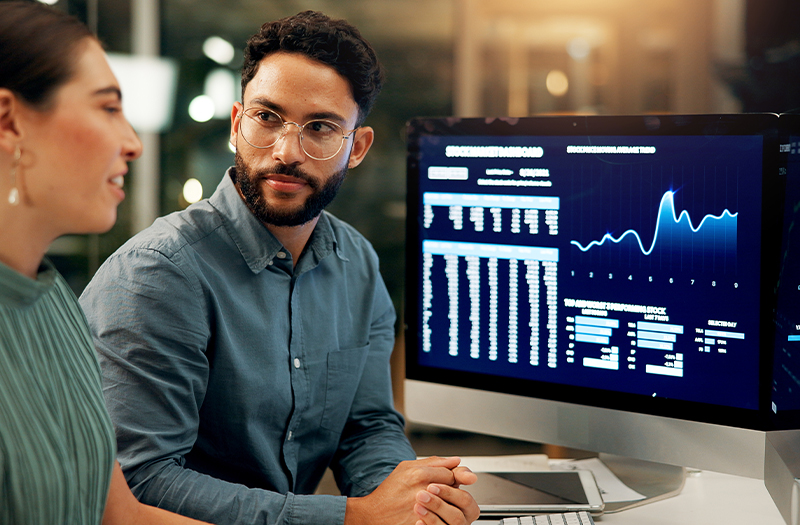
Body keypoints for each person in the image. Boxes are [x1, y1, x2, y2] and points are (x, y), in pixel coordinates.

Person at [79, 9, 480, 525]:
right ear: (236, 123)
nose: (286, 151)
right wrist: (354, 517)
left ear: (355, 147)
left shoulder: (355, 262)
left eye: (320, 128)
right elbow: (143, 483)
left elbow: (366, 427)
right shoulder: (157, 273)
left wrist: (417, 502)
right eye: (267, 118)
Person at [0, 2, 214, 524]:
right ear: (9, 122)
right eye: (108, 108)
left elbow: (120, 514)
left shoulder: (54, 304)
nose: (133, 143)